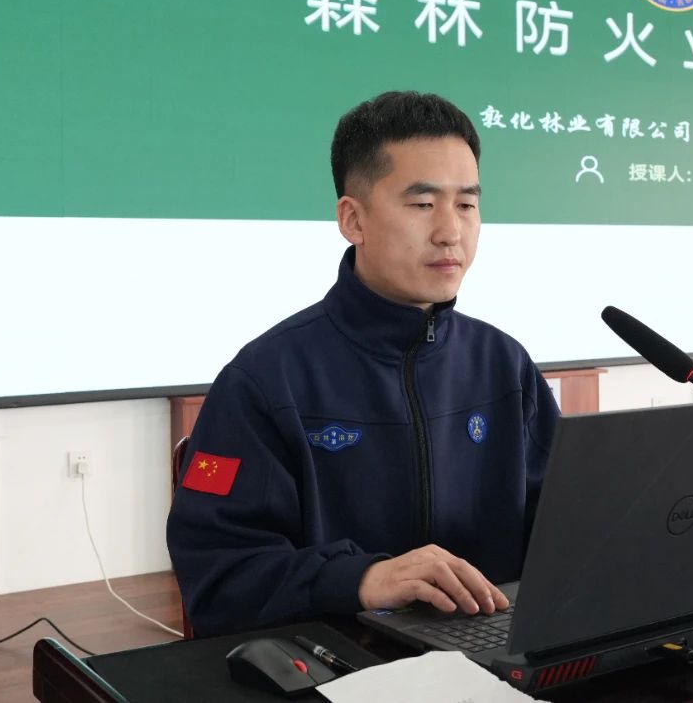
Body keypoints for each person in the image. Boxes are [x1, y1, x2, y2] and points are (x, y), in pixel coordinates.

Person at [166, 91, 560, 636]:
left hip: (493, 650)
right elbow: (219, 579)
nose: (451, 232)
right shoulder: (265, 380)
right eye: (422, 204)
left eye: (466, 205)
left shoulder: (504, 364)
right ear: (353, 220)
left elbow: (565, 526)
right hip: (342, 659)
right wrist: (360, 579)